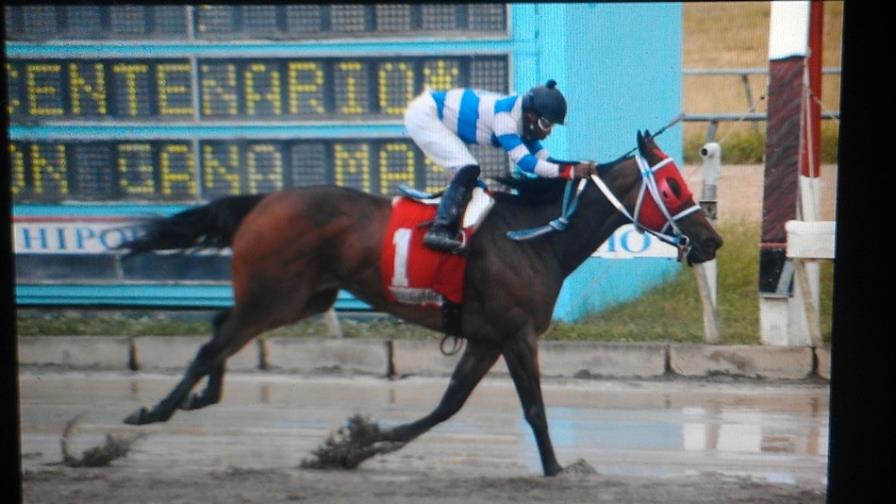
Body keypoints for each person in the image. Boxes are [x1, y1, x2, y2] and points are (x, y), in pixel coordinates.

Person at [404, 79, 597, 253]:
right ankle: (440, 230)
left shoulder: (521, 117)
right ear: (531, 116)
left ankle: (459, 234)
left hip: (434, 115)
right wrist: (570, 171)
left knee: (478, 189)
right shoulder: (505, 119)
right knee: (469, 168)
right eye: (547, 125)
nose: (549, 133)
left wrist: (578, 167)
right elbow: (527, 163)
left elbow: (546, 160)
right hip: (426, 116)